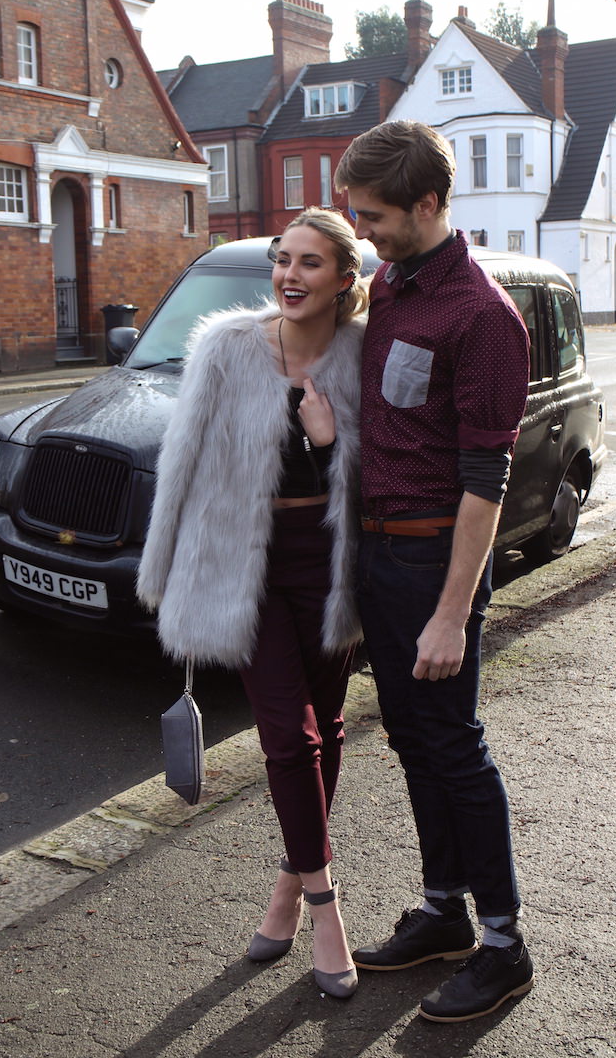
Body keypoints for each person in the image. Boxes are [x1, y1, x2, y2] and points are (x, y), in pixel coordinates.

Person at [137, 207, 368, 1000]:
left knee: (327, 727)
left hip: (329, 566)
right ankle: (326, 908)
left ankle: (286, 889)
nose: (288, 276)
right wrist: (163, 570)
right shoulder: (226, 346)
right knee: (286, 738)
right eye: (282, 260)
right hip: (245, 565)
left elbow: (379, 482)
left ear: (343, 279)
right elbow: (182, 462)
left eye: (309, 263)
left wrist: (330, 442)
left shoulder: (363, 356)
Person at [333, 121, 534, 1022]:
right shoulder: (390, 283)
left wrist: (451, 612)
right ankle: (442, 911)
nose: (363, 230)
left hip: (432, 560)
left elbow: (486, 480)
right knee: (413, 743)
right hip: (377, 554)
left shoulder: (482, 317)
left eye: (374, 216)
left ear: (426, 204)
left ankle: (503, 945)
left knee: (453, 746)